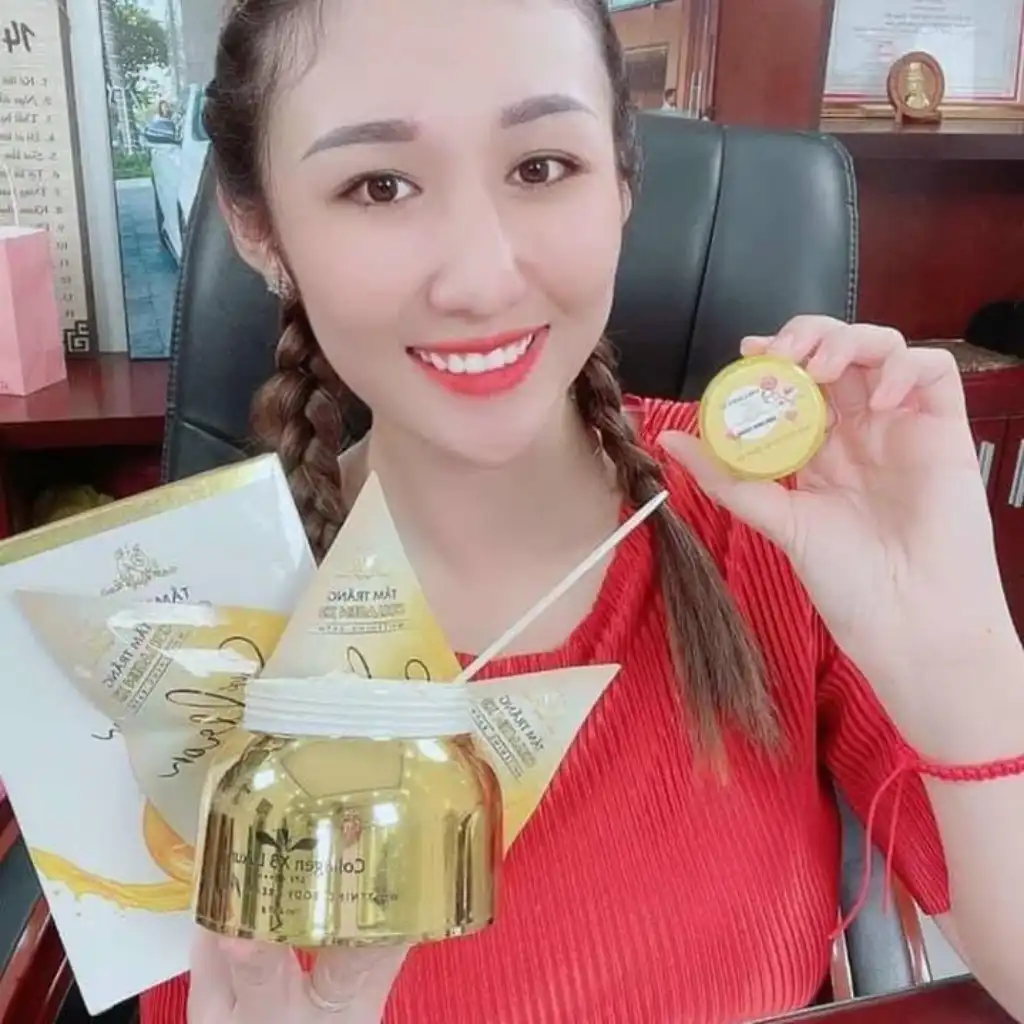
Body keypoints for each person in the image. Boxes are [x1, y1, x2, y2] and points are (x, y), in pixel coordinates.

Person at [146, 0, 1024, 1021]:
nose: (481, 279)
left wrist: (961, 653)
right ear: (258, 227)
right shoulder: (177, 637)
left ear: (621, 181)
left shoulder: (784, 522)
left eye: (541, 166)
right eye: (378, 185)